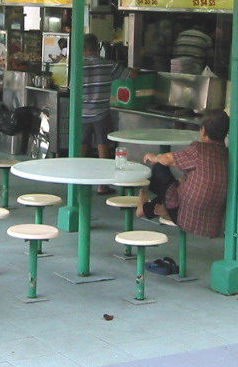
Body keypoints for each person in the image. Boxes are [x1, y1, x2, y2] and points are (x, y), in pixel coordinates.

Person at [137, 110, 229, 237]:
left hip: (186, 216)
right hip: (212, 224)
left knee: (160, 168)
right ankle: (162, 208)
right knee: (179, 183)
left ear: (203, 131)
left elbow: (167, 159)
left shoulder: (199, 149)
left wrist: (154, 157)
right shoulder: (227, 154)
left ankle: (147, 209)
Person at [81, 33, 132, 193]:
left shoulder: (78, 65)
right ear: (98, 48)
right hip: (101, 112)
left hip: (82, 112)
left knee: (82, 145)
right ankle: (103, 185)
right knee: (102, 145)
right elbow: (130, 75)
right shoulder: (109, 65)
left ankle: (79, 181)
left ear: (83, 49)